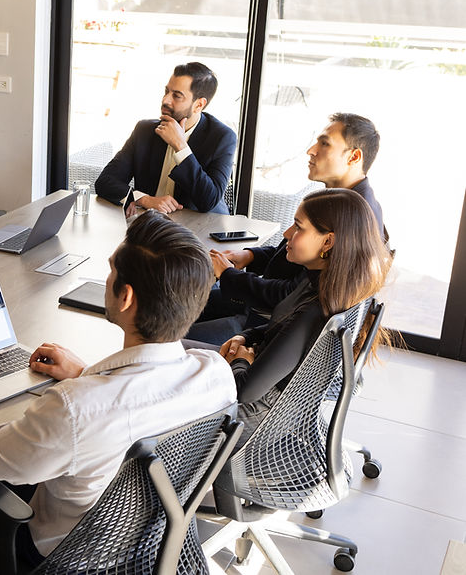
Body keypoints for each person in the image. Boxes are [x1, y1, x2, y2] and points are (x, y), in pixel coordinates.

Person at [0, 211, 237, 574]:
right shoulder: (216, 372)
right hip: (146, 538)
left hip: (69, 558)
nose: (106, 279)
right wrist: (84, 373)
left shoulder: (75, 406)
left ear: (126, 298)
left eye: (111, 270)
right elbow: (133, 397)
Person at [187, 112, 388, 344]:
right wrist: (250, 255)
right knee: (180, 304)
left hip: (267, 324)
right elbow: (290, 250)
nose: (311, 150)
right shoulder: (343, 202)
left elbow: (289, 295)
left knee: (164, 332)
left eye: (324, 144)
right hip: (259, 305)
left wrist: (228, 274)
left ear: (354, 157)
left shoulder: (354, 220)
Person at [216, 188, 391, 441]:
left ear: (328, 242)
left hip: (252, 423)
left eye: (298, 227)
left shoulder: (316, 309)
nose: (287, 233)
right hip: (274, 408)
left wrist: (240, 361)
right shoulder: (329, 285)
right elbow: (282, 328)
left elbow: (245, 391)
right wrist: (244, 338)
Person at [95, 62, 236, 215]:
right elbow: (105, 182)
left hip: (200, 230)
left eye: (177, 95)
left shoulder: (222, 137)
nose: (165, 100)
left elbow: (208, 201)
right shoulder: (145, 131)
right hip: (150, 225)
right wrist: (144, 199)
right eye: (166, 91)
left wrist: (181, 147)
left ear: (198, 105)